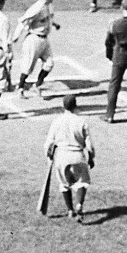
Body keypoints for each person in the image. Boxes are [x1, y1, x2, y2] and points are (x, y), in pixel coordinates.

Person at [43, 94, 96, 222]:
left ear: (63, 106)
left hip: (61, 156)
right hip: (77, 155)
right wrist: (91, 158)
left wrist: (48, 156)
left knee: (64, 184)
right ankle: (79, 204)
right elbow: (89, 146)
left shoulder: (56, 121)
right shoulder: (82, 121)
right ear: (75, 105)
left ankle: (70, 210)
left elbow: (48, 144)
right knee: (82, 182)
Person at [12, 0, 61, 97]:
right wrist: (16, 36)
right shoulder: (37, 8)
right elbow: (23, 21)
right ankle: (20, 88)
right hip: (33, 40)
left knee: (49, 64)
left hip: (44, 40)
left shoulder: (49, 6)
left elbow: (48, 18)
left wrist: (55, 24)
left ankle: (37, 85)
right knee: (28, 67)